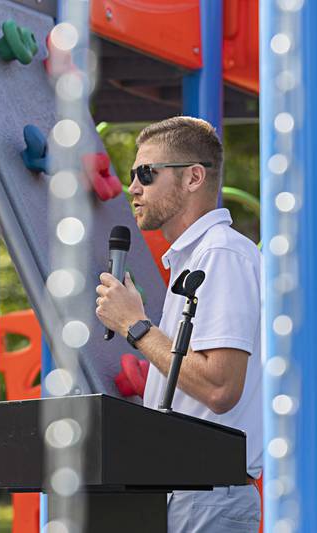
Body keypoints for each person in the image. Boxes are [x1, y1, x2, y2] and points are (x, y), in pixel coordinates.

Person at [94, 116, 262, 533]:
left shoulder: (221, 255)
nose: (133, 187)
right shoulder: (196, 257)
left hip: (205, 496)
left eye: (146, 174)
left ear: (193, 178)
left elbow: (220, 388)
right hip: (186, 493)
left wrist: (136, 326)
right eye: (133, 175)